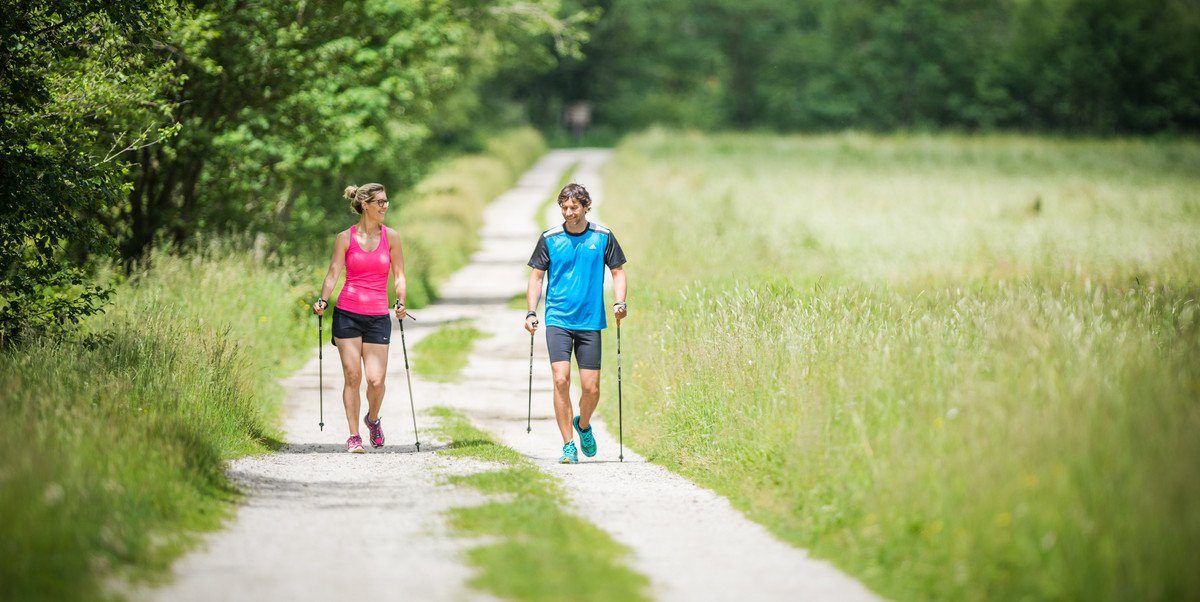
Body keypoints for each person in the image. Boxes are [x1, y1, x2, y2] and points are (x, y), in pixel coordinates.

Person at [525, 183, 628, 464]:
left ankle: (582, 425)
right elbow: (536, 278)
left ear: (585, 207)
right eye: (564, 207)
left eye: (574, 207)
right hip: (558, 319)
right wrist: (531, 312)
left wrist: (620, 302)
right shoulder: (550, 238)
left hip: (591, 320)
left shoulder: (603, 237)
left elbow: (618, 272)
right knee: (561, 380)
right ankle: (567, 445)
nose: (568, 212)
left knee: (592, 389)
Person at [313, 183, 407, 453]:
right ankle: (354, 435)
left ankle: (373, 419)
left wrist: (400, 301)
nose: (385, 207)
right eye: (380, 202)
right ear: (365, 205)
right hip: (348, 314)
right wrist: (323, 299)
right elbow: (333, 274)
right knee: (352, 376)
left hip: (378, 315)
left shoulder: (392, 237)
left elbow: (399, 275)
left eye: (386, 202)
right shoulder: (345, 238)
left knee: (376, 381)